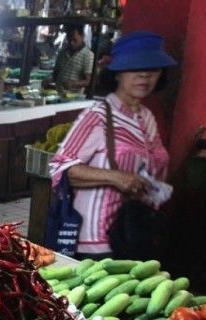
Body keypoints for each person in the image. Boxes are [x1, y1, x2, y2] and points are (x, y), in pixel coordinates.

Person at [48, 31, 177, 260]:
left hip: (133, 233)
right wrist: (117, 177)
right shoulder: (98, 116)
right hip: (96, 239)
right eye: (135, 68)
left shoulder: (147, 118)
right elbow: (60, 167)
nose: (144, 75)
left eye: (153, 69)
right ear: (117, 73)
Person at [51, 24, 95, 93]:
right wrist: (49, 81)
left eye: (75, 40)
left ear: (82, 36)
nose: (71, 43)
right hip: (57, 94)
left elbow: (88, 81)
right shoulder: (62, 52)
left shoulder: (88, 55)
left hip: (74, 98)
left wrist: (74, 84)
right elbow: (55, 75)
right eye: (69, 39)